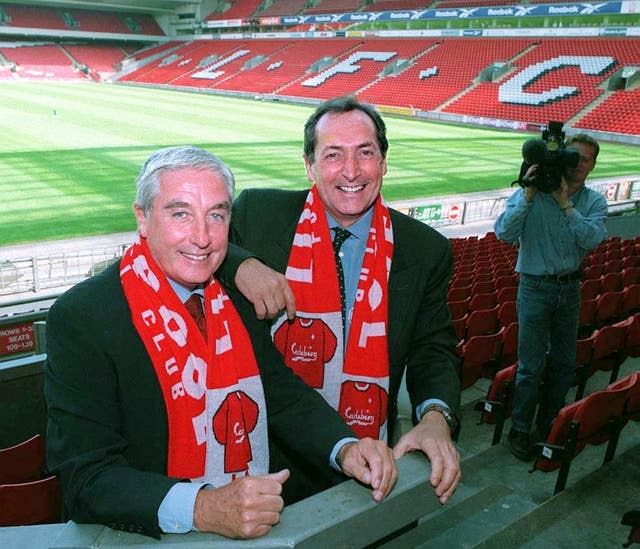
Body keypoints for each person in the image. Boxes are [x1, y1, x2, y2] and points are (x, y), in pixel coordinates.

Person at [44, 145, 397, 540]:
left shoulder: (238, 297)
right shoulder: (83, 316)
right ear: (142, 218)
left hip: (252, 524)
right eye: (180, 213)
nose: (202, 237)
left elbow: (280, 395)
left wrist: (346, 448)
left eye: (217, 215)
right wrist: (202, 506)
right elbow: (86, 478)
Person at [220, 96, 462, 505]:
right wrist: (239, 263)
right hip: (267, 454)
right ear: (309, 164)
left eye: (365, 153)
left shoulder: (425, 249)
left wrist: (438, 418)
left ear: (383, 162)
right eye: (333, 155)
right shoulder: (258, 214)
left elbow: (432, 349)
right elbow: (198, 250)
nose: (351, 171)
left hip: (368, 459)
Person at [494, 133, 607, 461]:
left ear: (593, 166)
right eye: (574, 156)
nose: (578, 165)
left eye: (585, 159)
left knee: (562, 363)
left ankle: (549, 424)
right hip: (534, 287)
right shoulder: (533, 192)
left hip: (571, 289)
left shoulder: (593, 201)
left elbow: (592, 239)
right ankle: (520, 428)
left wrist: (564, 204)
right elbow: (504, 232)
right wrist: (528, 193)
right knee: (530, 365)